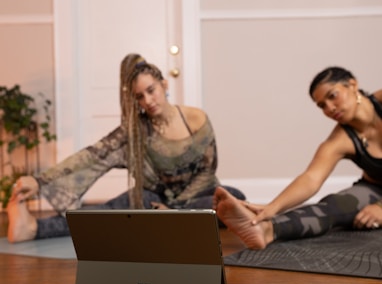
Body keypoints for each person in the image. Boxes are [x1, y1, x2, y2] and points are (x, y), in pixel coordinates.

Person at [7, 53, 246, 243]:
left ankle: (173, 220)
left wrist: (173, 210)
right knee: (111, 212)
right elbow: (90, 157)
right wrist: (40, 181)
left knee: (234, 197)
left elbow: (207, 171)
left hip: (197, 196)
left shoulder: (195, 118)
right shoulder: (135, 131)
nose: (148, 101)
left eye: (151, 90)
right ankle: (33, 228)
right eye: (140, 97)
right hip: (154, 201)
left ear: (163, 84)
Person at [214, 66, 382, 250]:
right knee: (332, 206)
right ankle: (268, 230)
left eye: (332, 96)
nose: (330, 108)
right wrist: (271, 209)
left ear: (352, 84)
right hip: (375, 187)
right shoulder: (338, 141)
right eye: (322, 105)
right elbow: (311, 179)